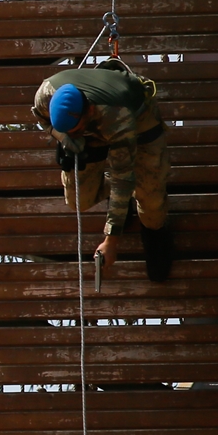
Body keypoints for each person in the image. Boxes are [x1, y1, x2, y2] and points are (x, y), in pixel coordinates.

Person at [32, 58, 173, 281]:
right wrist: (64, 138)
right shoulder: (45, 95)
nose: (73, 133)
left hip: (139, 122)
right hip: (94, 127)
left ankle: (155, 233)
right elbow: (41, 119)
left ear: (88, 110)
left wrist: (110, 240)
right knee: (79, 199)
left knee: (151, 201)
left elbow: (122, 177)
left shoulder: (117, 117)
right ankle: (121, 203)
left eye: (75, 129)